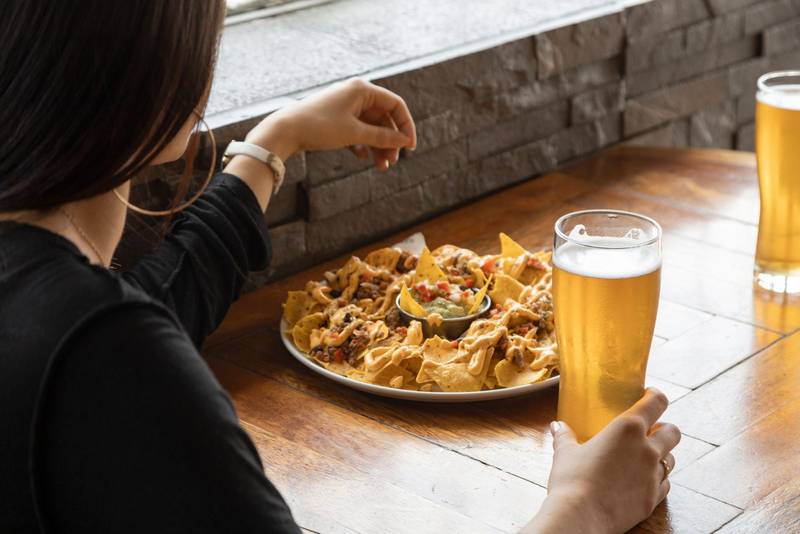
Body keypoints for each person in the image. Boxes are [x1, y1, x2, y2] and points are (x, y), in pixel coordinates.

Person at [0, 2, 681, 533]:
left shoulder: (58, 311)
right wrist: (581, 511)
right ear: (156, 62)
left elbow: (149, 300)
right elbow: (120, 340)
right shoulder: (109, 357)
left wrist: (276, 140)